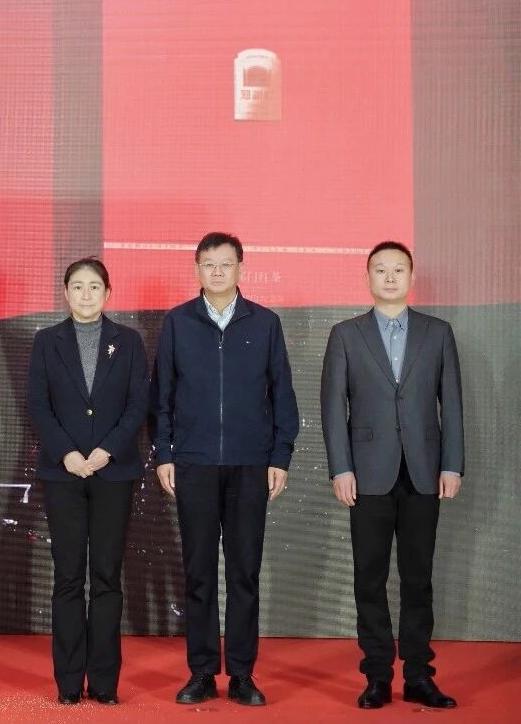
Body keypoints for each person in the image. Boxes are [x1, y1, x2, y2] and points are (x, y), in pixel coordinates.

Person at [152, 231, 298, 707]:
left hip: (250, 464)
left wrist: (279, 457)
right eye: (209, 264)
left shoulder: (265, 323)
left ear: (241, 268)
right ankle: (201, 672)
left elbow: (283, 395)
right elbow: (162, 396)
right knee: (198, 572)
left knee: (243, 573)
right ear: (197, 269)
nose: (217, 272)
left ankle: (241, 674)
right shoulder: (178, 322)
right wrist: (165, 453)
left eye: (226, 264)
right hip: (193, 464)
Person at [320, 241, 463, 710]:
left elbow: (452, 404)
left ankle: (419, 675)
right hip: (367, 475)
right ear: (367, 278)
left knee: (419, 578)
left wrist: (451, 464)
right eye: (380, 270)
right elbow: (332, 408)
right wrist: (341, 467)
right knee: (369, 577)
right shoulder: (346, 334)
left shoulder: (437, 333)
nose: (389, 277)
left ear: (411, 277)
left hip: (424, 472)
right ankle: (377, 675)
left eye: (398, 270)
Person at [27, 257, 150, 706]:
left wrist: (106, 450)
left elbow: (138, 404)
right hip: (63, 473)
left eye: (94, 287)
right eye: (77, 286)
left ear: (108, 293)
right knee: (67, 577)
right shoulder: (46, 342)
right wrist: (68, 453)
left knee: (106, 577)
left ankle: (103, 683)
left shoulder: (128, 342)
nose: (85, 294)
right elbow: (38, 405)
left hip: (113, 471)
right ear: (65, 293)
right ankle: (67, 683)